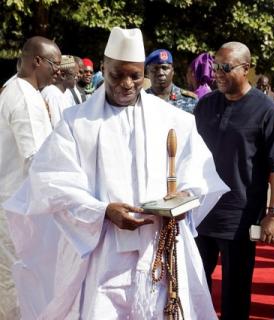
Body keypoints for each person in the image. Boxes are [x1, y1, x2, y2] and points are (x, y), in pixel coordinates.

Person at [3, 27, 229, 319]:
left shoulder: (174, 120)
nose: (126, 84)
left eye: (135, 76)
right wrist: (103, 211)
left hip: (157, 246)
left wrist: (184, 199)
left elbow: (198, 174)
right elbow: (51, 182)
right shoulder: (75, 123)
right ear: (103, 68)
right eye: (116, 75)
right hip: (101, 252)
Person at [193, 41, 274, 320]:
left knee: (235, 292)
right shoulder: (205, 105)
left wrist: (273, 214)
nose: (218, 74)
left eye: (226, 68)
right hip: (201, 212)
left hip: (240, 217)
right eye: (215, 66)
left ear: (246, 68)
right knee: (195, 283)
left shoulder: (266, 110)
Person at [0, 35, 60, 320]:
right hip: (18, 208)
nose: (57, 71)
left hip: (15, 203)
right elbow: (37, 159)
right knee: (16, 279)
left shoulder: (18, 89)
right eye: (54, 65)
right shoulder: (24, 97)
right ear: (37, 61)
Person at [145, 49, 198, 113]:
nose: (160, 73)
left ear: (172, 71)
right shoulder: (141, 100)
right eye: (155, 68)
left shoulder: (190, 100)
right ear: (148, 73)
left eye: (165, 68)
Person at [41, 55, 78, 126]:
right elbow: (57, 127)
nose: (76, 78)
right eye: (74, 75)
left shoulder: (67, 93)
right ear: (63, 75)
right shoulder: (52, 95)